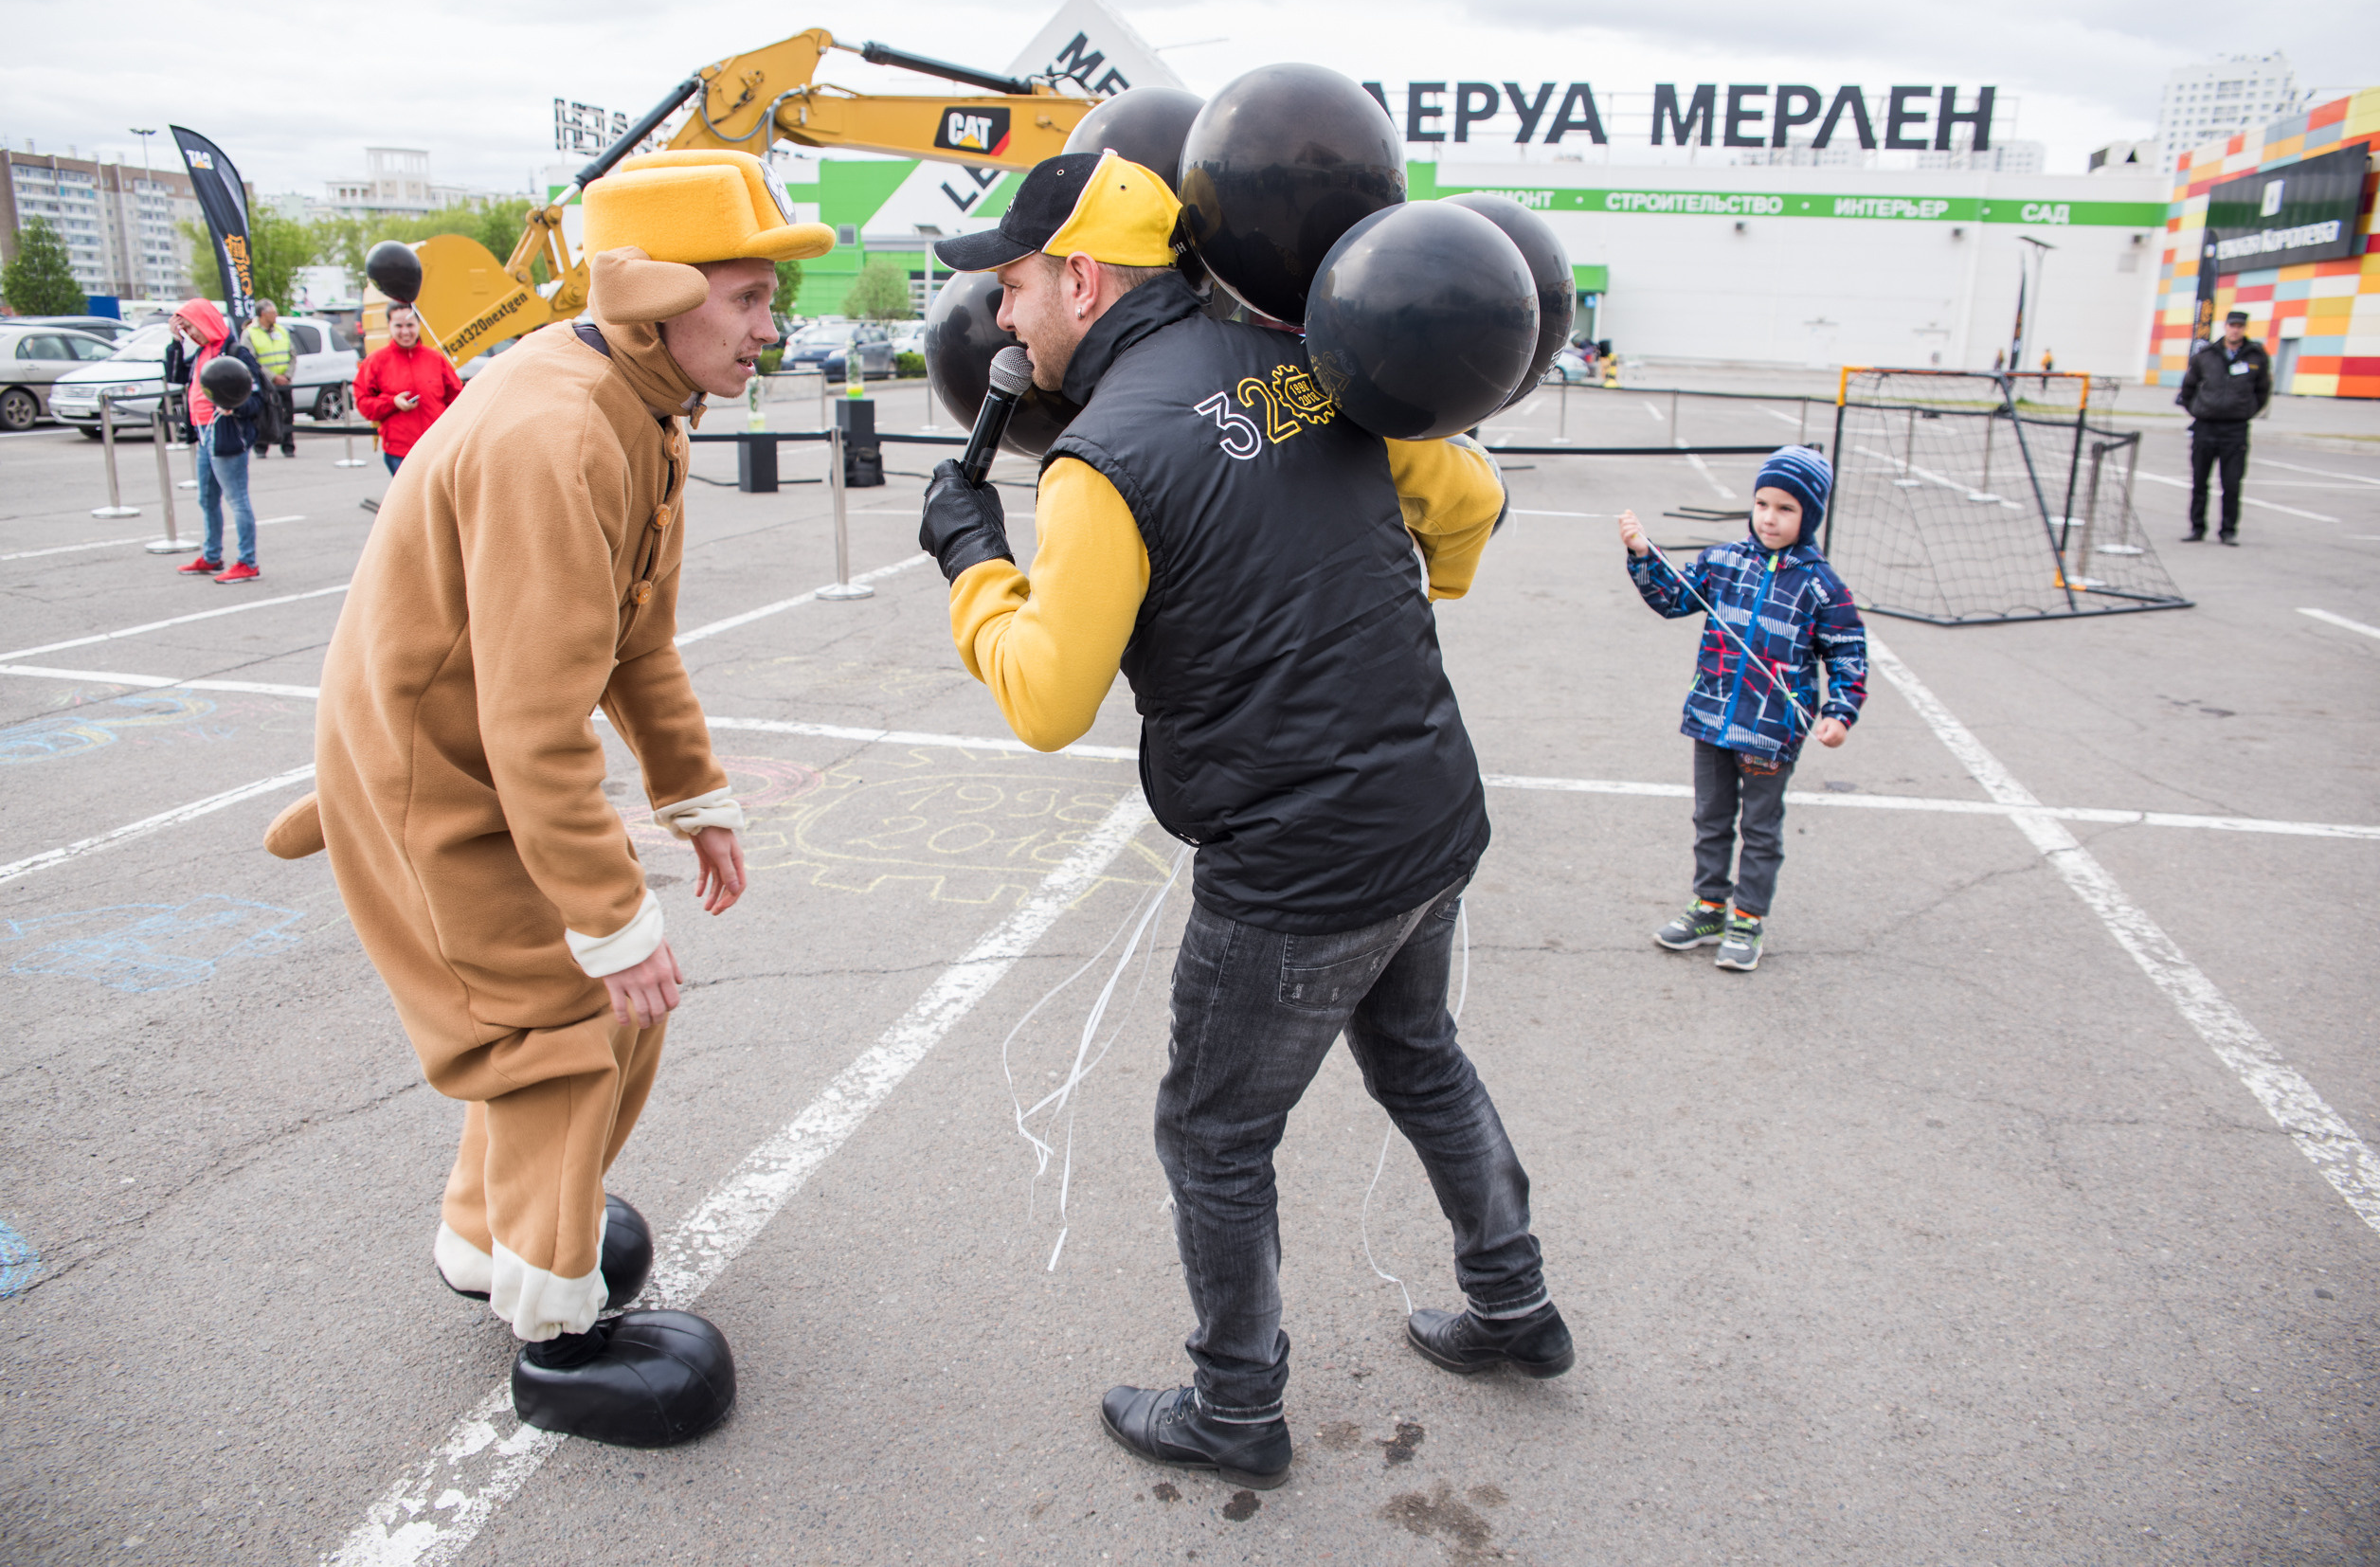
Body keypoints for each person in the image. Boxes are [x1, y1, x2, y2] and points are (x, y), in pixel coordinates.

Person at [918, 151, 1568, 1493]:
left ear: (1084, 278)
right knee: (1421, 1056)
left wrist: (972, 562)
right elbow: (1472, 499)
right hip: (1425, 805)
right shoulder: (1307, 353)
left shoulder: (1098, 461)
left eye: (1018, 286)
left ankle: (1233, 1404)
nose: (1003, 317)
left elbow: (1046, 697)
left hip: (1296, 862)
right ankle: (1514, 1306)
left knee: (1212, 1134)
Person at [262, 150, 834, 1448]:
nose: (769, 326)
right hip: (437, 778)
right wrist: (607, 913)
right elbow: (531, 721)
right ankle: (555, 1333)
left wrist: (698, 799)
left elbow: (636, 643)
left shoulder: (640, 408)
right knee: (568, 1023)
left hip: (466, 759)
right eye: (746, 297)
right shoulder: (562, 430)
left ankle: (499, 1233)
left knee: (599, 1015)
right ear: (651, 297)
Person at [1617, 446, 1867, 972]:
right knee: (1710, 819)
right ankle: (1708, 907)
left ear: (1811, 516)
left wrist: (1839, 713)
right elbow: (1671, 598)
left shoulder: (1822, 585)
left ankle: (1748, 917)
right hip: (1711, 719)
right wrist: (1642, 553)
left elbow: (1848, 653)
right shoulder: (1723, 561)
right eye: (1762, 503)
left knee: (1759, 828)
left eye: (1786, 508)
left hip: (1771, 731)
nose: (1769, 518)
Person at [164, 299, 267, 584]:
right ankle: (212, 555)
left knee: (237, 499)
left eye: (193, 328)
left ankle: (247, 561)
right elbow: (175, 376)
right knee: (207, 499)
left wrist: (233, 407)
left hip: (226, 433)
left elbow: (256, 398)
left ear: (207, 322)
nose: (192, 335)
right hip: (203, 433)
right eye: (188, 330)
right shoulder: (201, 353)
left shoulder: (235, 353)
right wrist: (176, 341)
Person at [2178, 309, 2271, 546]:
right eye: (2232, 325)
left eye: (2240, 326)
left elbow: (2262, 391)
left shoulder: (2256, 356)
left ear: (2245, 328)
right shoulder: (2206, 355)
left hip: (2235, 429)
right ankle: (2197, 528)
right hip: (2205, 426)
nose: (2235, 329)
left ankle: (2228, 530)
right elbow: (2188, 388)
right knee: (2200, 481)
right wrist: (2199, 410)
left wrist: (2246, 411)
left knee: (2231, 483)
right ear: (2226, 326)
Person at [352, 302, 463, 474]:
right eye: (399, 325)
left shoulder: (435, 359)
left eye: (410, 325)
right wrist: (392, 402)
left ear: (418, 325)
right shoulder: (375, 362)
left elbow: (457, 400)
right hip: (400, 453)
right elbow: (363, 402)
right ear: (389, 326)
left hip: (437, 449)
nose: (405, 331)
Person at [246, 298, 298, 459]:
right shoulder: (250, 333)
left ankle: (288, 445)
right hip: (264, 383)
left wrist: (287, 375)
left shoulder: (281, 330)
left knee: (288, 414)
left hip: (285, 382)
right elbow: (250, 360)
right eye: (272, 312)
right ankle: (261, 447)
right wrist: (273, 377)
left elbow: (292, 354)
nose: (276, 315)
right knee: (263, 414)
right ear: (263, 314)